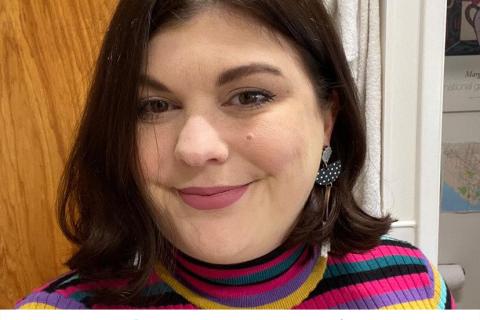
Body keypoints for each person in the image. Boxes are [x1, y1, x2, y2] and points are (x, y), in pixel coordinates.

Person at [16, 0, 454, 309]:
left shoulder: (414, 288)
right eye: (154, 106)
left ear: (327, 119)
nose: (195, 148)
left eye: (249, 96)